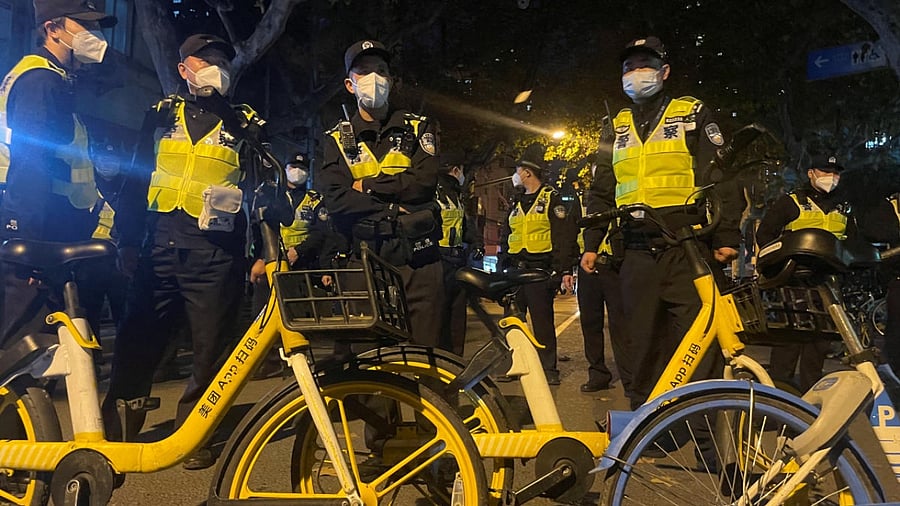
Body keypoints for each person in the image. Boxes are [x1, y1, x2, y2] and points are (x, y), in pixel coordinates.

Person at [102, 33, 265, 470]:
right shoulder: (158, 116)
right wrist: (127, 241)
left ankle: (194, 434)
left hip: (215, 254)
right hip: (157, 244)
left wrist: (262, 252)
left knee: (210, 348)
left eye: (221, 61)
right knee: (136, 339)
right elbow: (134, 182)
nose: (215, 67)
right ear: (183, 69)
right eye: (205, 60)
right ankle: (119, 430)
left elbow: (259, 192)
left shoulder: (244, 123)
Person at [583, 36, 742, 409]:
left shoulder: (691, 113)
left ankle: (705, 437)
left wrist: (726, 235)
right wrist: (592, 242)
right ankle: (649, 430)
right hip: (634, 251)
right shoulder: (615, 126)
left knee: (699, 342)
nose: (636, 74)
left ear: (664, 72)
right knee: (640, 345)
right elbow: (601, 188)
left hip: (686, 248)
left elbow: (720, 176)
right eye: (629, 67)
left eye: (645, 65)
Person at [0, 0, 116, 346]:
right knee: (23, 337)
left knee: (45, 337)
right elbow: (31, 159)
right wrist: (32, 241)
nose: (93, 35)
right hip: (38, 223)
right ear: (53, 29)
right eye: (83, 26)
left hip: (51, 220)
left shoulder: (54, 79)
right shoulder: (40, 81)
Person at [319, 39, 445, 349]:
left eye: (381, 71)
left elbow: (424, 183)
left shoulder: (419, 127)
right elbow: (336, 199)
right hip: (363, 259)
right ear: (350, 84)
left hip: (417, 258)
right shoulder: (335, 138)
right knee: (368, 371)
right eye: (364, 72)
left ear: (391, 81)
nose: (374, 78)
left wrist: (369, 187)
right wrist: (393, 207)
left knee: (427, 364)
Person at [757, 156, 895, 390]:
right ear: (811, 173)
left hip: (827, 284)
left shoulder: (843, 206)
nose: (831, 176)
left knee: (818, 347)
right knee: (788, 346)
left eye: (836, 172)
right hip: (793, 284)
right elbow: (765, 236)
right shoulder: (790, 203)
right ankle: (777, 400)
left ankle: (811, 406)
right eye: (825, 170)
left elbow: (851, 241)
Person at [499, 143, 577, 386]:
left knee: (542, 322)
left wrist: (562, 270)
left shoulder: (551, 199)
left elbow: (562, 236)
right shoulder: (516, 201)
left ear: (527, 173)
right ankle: (514, 363)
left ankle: (548, 367)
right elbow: (507, 232)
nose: (516, 174)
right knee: (512, 320)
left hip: (539, 270)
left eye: (518, 169)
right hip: (515, 270)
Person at [248, 152, 327, 379]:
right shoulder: (270, 193)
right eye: (293, 166)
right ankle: (268, 362)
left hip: (300, 265)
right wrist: (259, 258)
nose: (297, 171)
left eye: (302, 167)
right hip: (270, 262)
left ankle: (298, 362)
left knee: (296, 316)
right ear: (284, 168)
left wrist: (298, 252)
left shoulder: (314, 199)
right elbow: (258, 229)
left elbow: (321, 234)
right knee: (262, 314)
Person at [572, 162, 629, 393]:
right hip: (589, 267)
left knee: (621, 326)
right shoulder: (590, 199)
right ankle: (597, 373)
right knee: (590, 324)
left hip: (615, 265)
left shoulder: (622, 195)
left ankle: (630, 378)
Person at [436, 154, 484, 356]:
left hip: (455, 260)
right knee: (442, 319)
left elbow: (463, 226)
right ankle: (444, 361)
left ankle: (454, 361)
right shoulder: (435, 192)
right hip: (439, 262)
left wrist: (476, 242)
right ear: (455, 170)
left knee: (456, 318)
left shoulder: (455, 195)